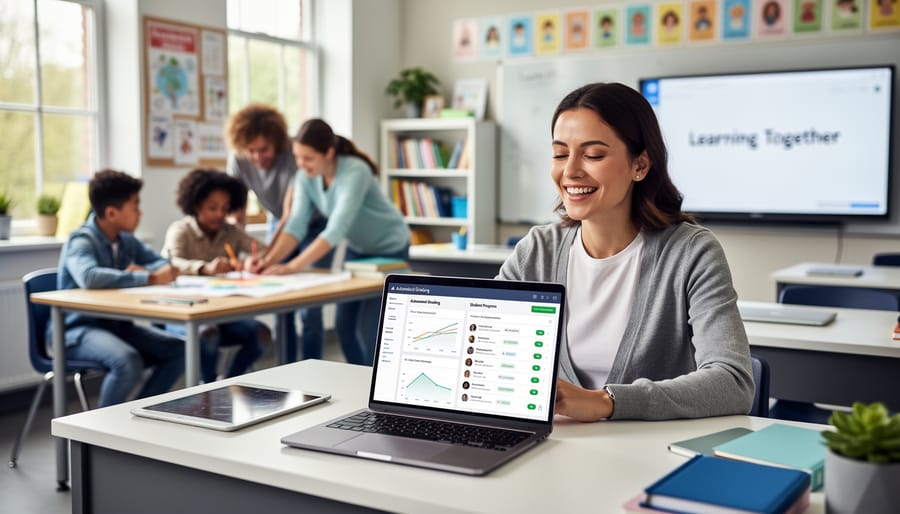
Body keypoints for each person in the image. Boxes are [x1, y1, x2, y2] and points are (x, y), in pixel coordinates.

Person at [496, 83, 754, 422]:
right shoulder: (537, 251)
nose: (570, 170)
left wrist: (607, 402)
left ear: (641, 165)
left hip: (650, 457)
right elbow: (491, 348)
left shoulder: (691, 253)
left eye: (593, 155)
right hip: (556, 450)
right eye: (560, 153)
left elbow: (733, 382)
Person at [249, 119, 410, 365]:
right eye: (298, 158)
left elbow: (335, 229)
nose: (302, 164)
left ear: (329, 153)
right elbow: (295, 226)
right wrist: (267, 262)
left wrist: (293, 266)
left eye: (309, 158)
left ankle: (374, 391)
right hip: (358, 250)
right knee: (345, 328)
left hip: (390, 249)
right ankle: (360, 383)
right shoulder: (305, 177)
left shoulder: (355, 171)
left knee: (371, 332)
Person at [57, 169, 185, 407]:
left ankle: (137, 413)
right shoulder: (81, 240)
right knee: (127, 361)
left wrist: (157, 271)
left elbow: (157, 262)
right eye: (135, 206)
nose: (140, 213)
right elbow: (89, 276)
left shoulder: (126, 240)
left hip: (116, 326)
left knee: (180, 350)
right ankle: (100, 434)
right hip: (78, 331)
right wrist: (149, 278)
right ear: (112, 213)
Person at [225, 104, 332, 363]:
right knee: (279, 299)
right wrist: (239, 254)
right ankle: (285, 369)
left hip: (313, 224)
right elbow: (237, 212)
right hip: (278, 220)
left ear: (277, 141)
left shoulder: (295, 155)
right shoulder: (239, 159)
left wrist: (269, 257)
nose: (257, 157)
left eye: (264, 150)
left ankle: (313, 370)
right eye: (251, 151)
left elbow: (292, 216)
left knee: (309, 303)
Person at [162, 168, 267, 383]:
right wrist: (204, 268)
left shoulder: (231, 232)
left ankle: (228, 382)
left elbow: (264, 251)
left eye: (224, 208)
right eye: (212, 208)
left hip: (222, 312)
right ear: (196, 204)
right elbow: (171, 264)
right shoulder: (180, 231)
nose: (220, 214)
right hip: (185, 312)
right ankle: (207, 388)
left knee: (261, 334)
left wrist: (250, 262)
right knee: (207, 333)